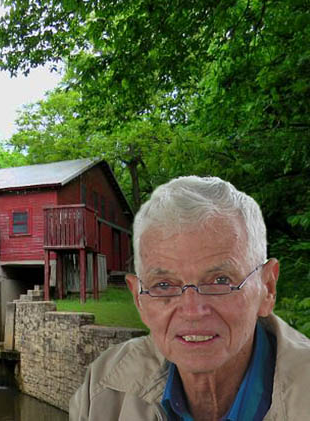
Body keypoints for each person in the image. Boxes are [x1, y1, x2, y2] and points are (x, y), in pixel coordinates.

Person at [69, 176, 310, 420]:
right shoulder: (103, 386)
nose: (193, 311)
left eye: (220, 281)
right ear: (139, 299)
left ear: (267, 288)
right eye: (164, 285)